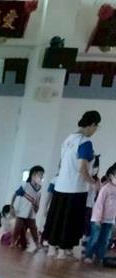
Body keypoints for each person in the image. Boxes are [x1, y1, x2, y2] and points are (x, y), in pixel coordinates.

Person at [43, 110, 101, 260]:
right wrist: (94, 183)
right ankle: (63, 251)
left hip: (60, 186)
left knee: (57, 218)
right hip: (75, 188)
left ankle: (52, 249)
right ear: (92, 124)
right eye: (96, 127)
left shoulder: (68, 139)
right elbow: (82, 169)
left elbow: (63, 163)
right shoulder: (85, 142)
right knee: (70, 220)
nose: (95, 130)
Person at [83, 161, 116, 264]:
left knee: (105, 240)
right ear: (111, 176)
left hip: (109, 220)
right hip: (98, 219)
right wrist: (98, 219)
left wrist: (114, 220)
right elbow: (99, 204)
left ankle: (99, 257)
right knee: (95, 238)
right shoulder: (106, 188)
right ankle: (88, 255)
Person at [11, 165, 44, 253]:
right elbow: (15, 195)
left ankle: (37, 244)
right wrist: (11, 207)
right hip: (21, 212)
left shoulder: (39, 189)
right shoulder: (25, 185)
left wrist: (37, 209)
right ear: (33, 174)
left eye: (42, 175)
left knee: (34, 229)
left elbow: (38, 201)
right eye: (40, 174)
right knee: (17, 228)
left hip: (31, 213)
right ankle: (13, 243)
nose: (41, 177)